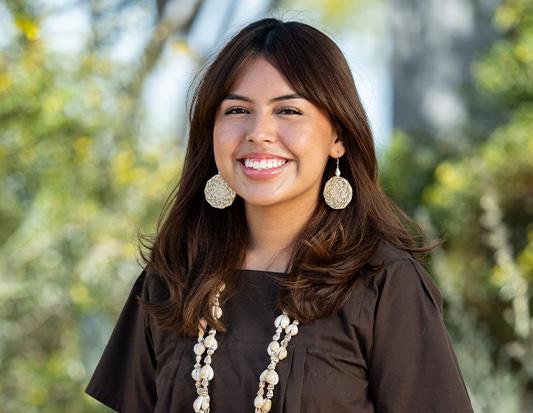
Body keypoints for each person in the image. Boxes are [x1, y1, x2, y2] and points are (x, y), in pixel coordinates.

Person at [85, 18, 474, 413]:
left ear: (338, 136)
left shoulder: (385, 283)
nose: (259, 132)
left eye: (288, 110)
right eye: (237, 109)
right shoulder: (173, 274)